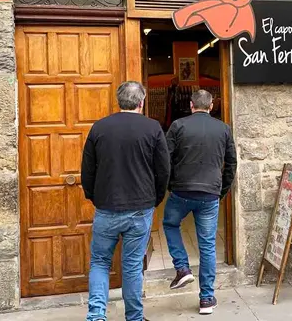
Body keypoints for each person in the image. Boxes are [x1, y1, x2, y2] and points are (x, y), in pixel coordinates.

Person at [81, 81, 170, 321]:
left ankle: (97, 315)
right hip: (140, 206)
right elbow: (163, 170)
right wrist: (156, 198)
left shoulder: (99, 128)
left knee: (99, 261)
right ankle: (135, 317)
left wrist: (93, 196)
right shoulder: (152, 129)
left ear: (119, 101)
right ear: (141, 102)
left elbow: (87, 170)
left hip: (107, 206)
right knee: (131, 265)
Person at [163, 90, 237, 315]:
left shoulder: (177, 126)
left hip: (182, 191)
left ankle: (182, 267)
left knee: (169, 223)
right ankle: (206, 298)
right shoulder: (223, 129)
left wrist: (169, 185)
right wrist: (221, 191)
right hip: (209, 194)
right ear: (211, 106)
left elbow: (165, 160)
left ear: (191, 104)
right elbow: (232, 164)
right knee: (207, 246)